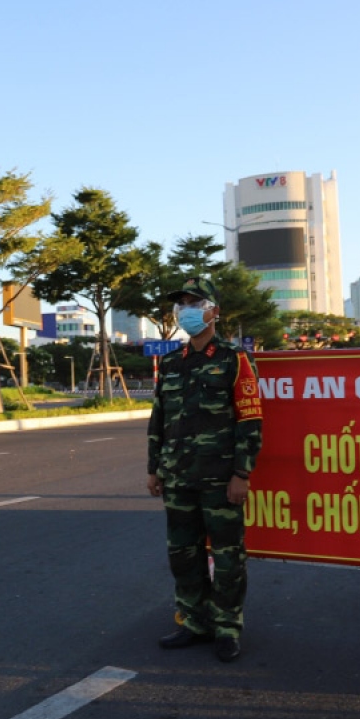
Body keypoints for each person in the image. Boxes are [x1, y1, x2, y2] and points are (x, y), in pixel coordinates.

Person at [146, 276, 264, 662]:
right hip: (178, 478)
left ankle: (227, 626)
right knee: (183, 553)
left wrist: (241, 474)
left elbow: (249, 420)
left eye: (194, 303)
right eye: (181, 303)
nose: (185, 310)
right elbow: (159, 419)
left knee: (228, 556)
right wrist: (155, 468)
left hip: (220, 480)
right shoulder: (171, 363)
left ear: (214, 311)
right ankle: (194, 622)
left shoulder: (234, 359)